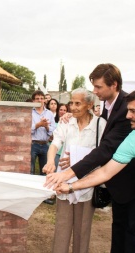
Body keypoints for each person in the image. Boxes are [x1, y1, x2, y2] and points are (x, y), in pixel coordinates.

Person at [45, 63, 135, 253]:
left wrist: (70, 171)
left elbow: (106, 148)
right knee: (119, 233)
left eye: (98, 87)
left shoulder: (127, 106)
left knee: (133, 236)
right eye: (93, 87)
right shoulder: (108, 105)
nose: (95, 91)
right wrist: (72, 114)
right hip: (117, 185)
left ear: (114, 85)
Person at [55, 87, 135, 253]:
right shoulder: (134, 138)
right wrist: (70, 186)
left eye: (133, 111)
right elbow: (105, 172)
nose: (127, 116)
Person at [43, 88, 106, 253]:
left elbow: (102, 155)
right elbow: (56, 143)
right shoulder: (66, 121)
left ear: (90, 104)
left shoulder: (100, 125)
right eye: (71, 102)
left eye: (78, 103)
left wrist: (77, 159)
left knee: (82, 231)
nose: (73, 107)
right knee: (61, 229)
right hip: (63, 183)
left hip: (86, 185)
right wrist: (50, 161)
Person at [30, 90, 56, 176]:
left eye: (42, 98)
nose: (40, 100)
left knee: (45, 171)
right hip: (33, 144)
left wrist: (46, 126)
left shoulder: (49, 113)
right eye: (37, 99)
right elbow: (27, 129)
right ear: (33, 100)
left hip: (45, 144)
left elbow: (53, 129)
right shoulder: (30, 112)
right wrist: (38, 125)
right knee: (30, 169)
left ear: (45, 100)